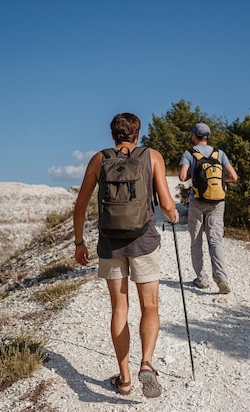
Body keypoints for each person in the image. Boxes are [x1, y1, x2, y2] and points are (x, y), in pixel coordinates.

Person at [73, 112, 179, 398]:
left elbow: (80, 207)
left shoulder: (99, 159)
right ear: (138, 134)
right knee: (150, 307)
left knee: (120, 308)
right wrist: (173, 216)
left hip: (110, 244)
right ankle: (146, 363)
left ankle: (125, 378)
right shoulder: (152, 156)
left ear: (112, 135)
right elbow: (167, 205)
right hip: (143, 241)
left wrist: (79, 243)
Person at [178, 122, 238, 294]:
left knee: (196, 240)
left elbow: (182, 177)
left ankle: (202, 279)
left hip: (197, 201)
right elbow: (233, 176)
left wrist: (195, 177)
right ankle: (222, 279)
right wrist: (218, 181)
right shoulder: (220, 153)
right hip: (218, 202)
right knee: (215, 240)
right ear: (207, 136)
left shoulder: (189, 153)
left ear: (194, 136)